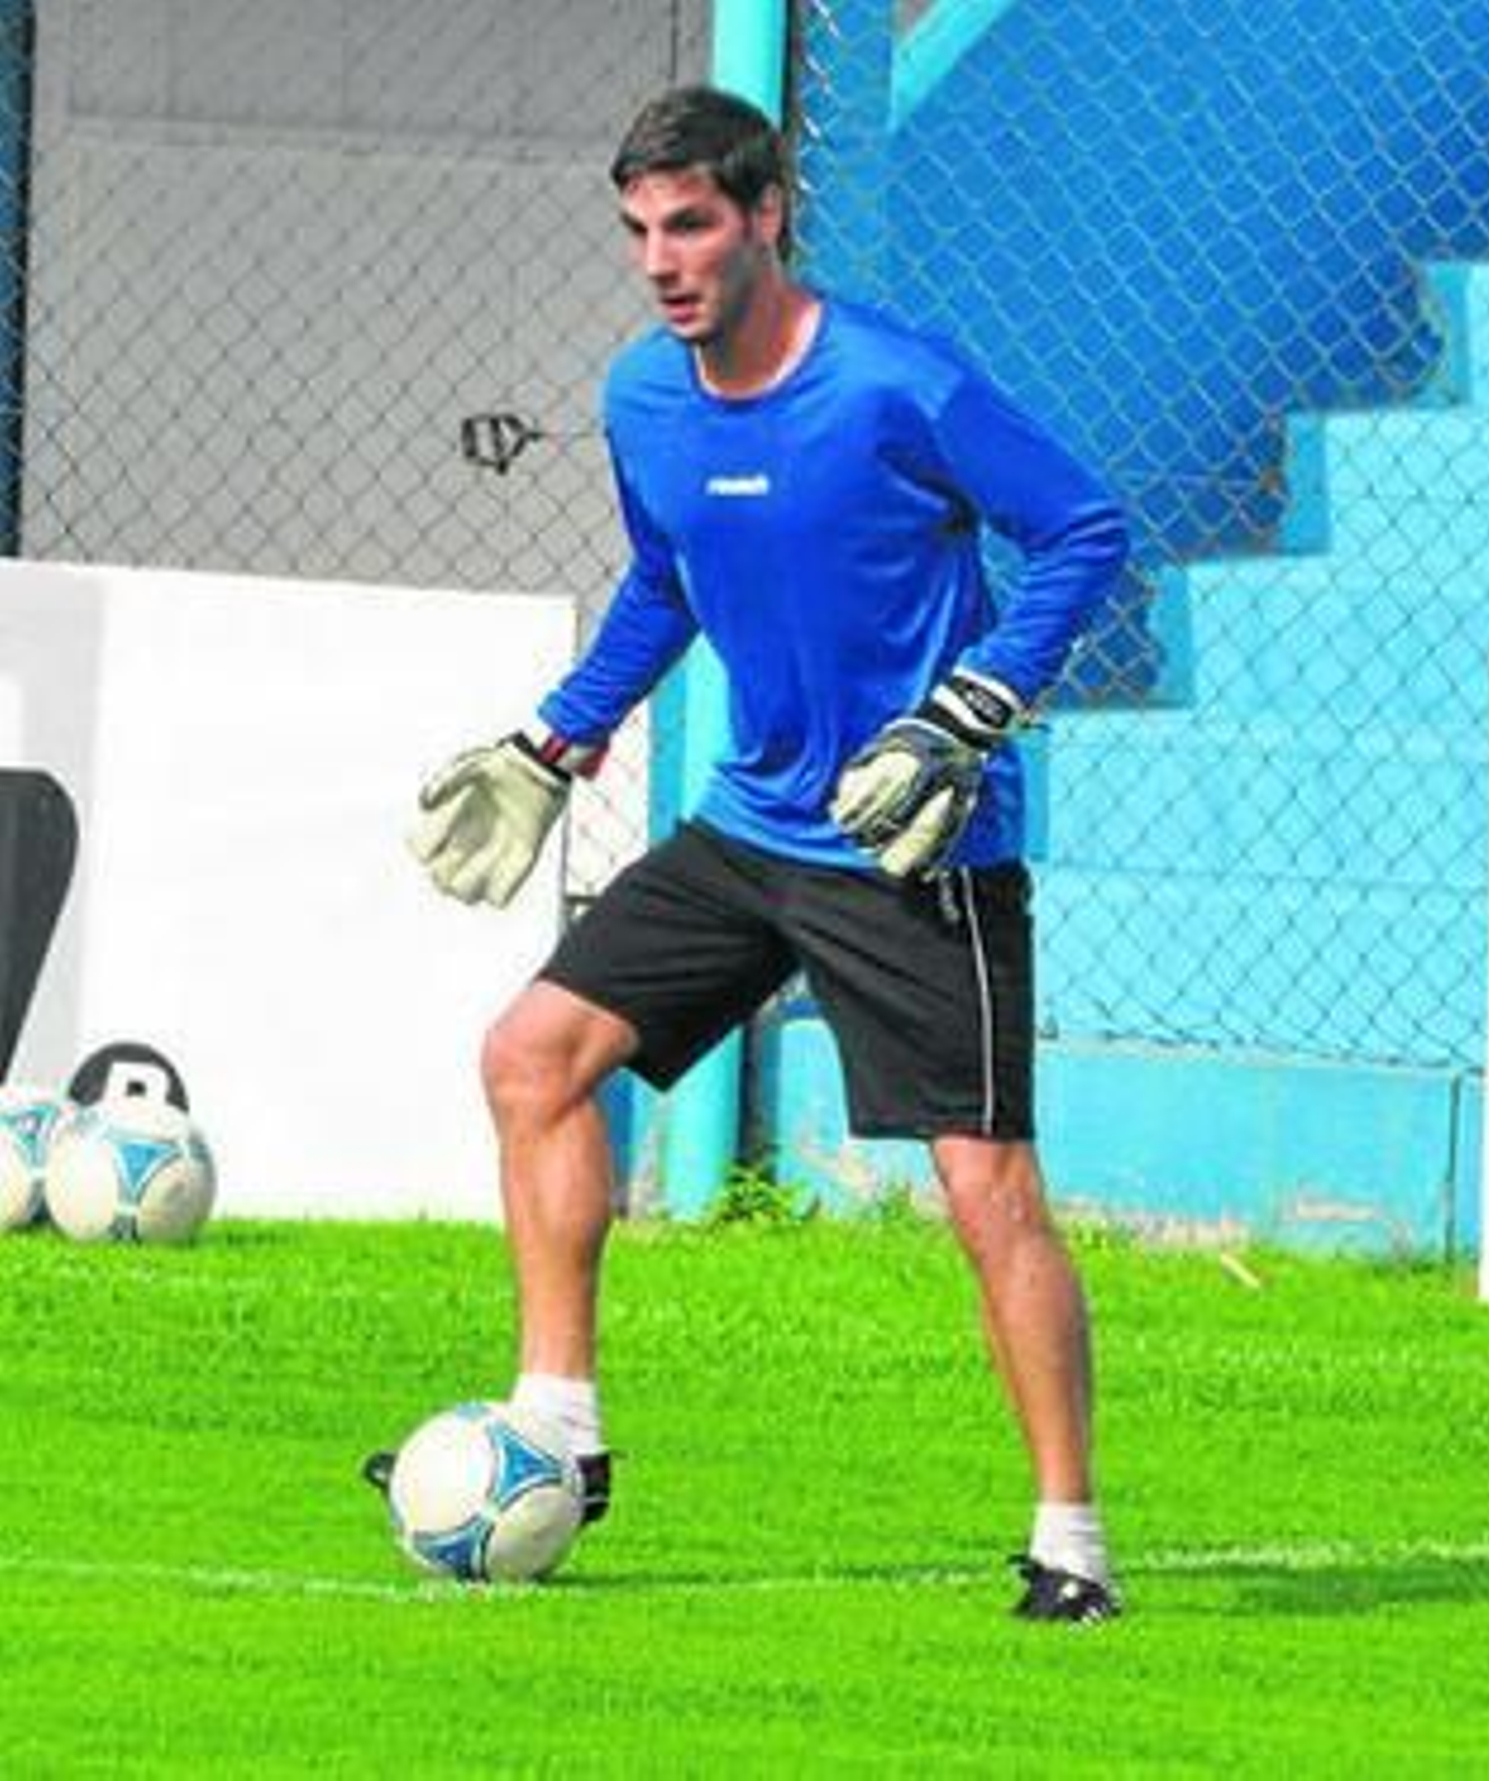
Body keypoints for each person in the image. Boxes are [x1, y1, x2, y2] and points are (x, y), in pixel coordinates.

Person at [373, 85, 1130, 1624]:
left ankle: (1070, 1538)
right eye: (641, 229)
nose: (664, 259)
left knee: (987, 1193)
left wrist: (973, 708)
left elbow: (1088, 530)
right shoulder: (644, 402)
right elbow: (666, 578)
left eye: (695, 223)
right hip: (749, 829)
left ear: (768, 213)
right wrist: (557, 737)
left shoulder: (895, 385)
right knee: (532, 1057)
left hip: (913, 844)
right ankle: (561, 1429)